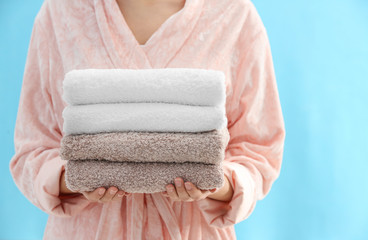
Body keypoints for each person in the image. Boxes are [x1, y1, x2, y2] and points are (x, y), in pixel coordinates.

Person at [9, 0, 286, 239]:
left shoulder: (232, 15)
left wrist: (216, 183)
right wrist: (78, 178)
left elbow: (260, 148)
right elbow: (32, 148)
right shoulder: (62, 14)